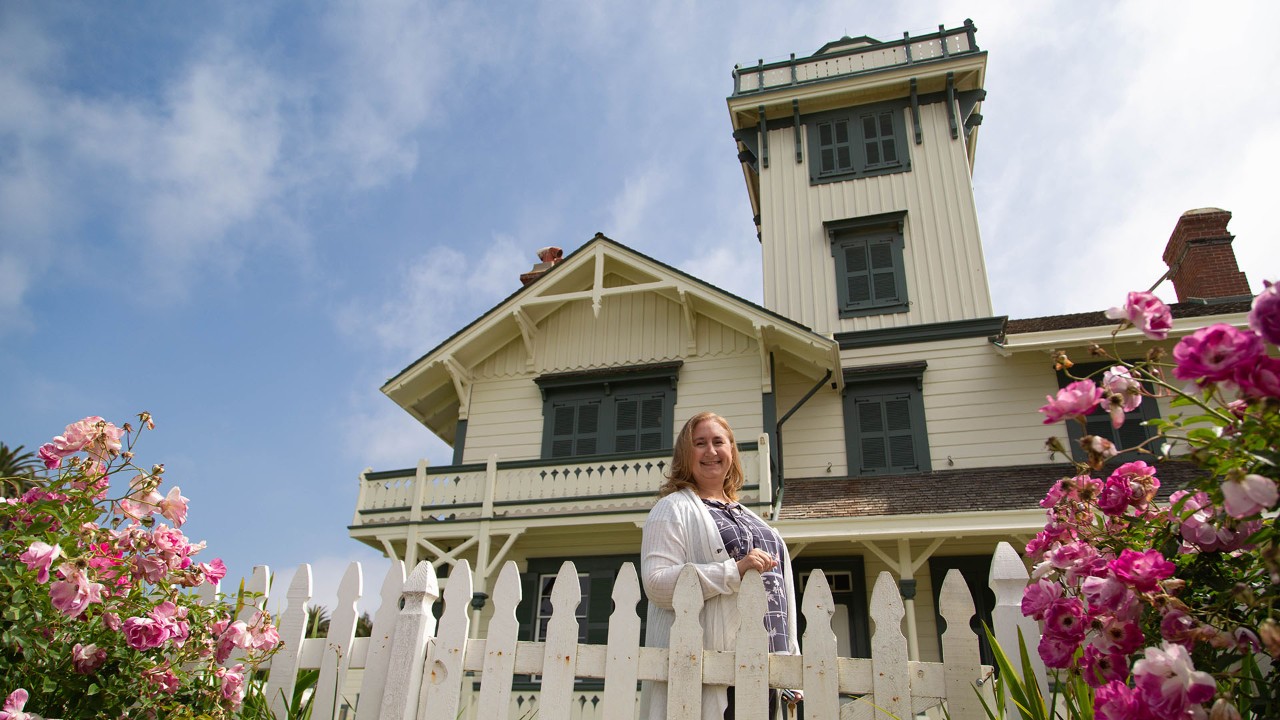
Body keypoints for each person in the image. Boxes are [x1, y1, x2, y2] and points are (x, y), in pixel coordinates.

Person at [638, 411, 802, 720]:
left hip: (767, 670)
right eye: (699, 443)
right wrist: (733, 571)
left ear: (732, 450)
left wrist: (790, 659)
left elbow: (781, 595)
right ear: (685, 454)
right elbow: (657, 584)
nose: (711, 451)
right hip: (716, 673)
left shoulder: (750, 516)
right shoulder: (672, 509)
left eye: (718, 442)